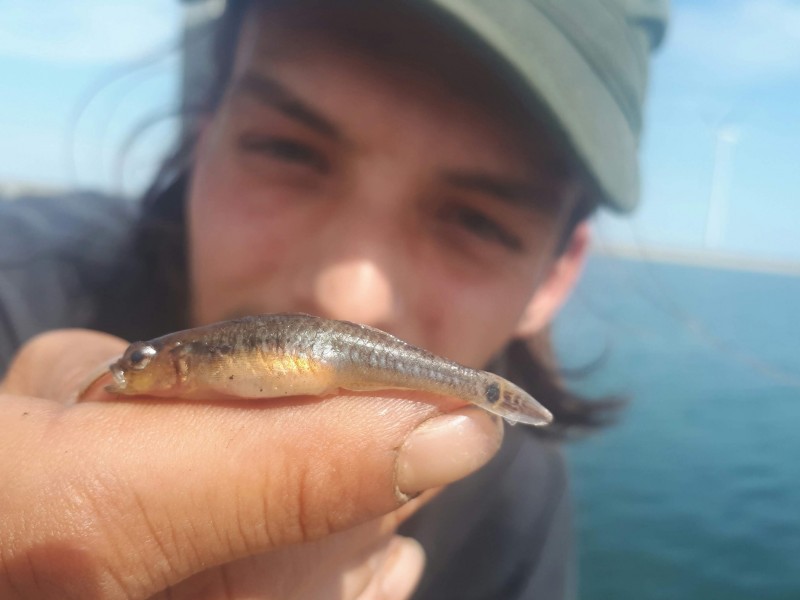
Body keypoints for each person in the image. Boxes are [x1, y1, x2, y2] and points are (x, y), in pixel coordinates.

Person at [0, 1, 666, 598]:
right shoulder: (15, 280)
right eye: (288, 149)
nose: (345, 295)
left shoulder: (522, 504)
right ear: (202, 143)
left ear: (553, 278)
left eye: (478, 221)